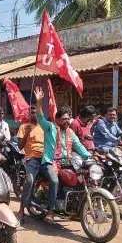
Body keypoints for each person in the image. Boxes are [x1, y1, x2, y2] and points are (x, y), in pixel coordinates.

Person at [34, 87, 91, 222]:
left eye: (69, 118)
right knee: (54, 181)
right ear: (57, 119)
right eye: (64, 119)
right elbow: (40, 117)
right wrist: (38, 103)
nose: (67, 121)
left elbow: (80, 148)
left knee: (81, 179)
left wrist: (90, 158)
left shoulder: (71, 133)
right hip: (50, 162)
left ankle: (77, 210)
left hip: (67, 163)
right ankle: (51, 210)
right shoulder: (50, 127)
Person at [15, 105, 45, 222]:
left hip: (46, 158)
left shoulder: (44, 126)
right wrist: (27, 134)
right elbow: (20, 146)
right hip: (32, 158)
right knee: (29, 180)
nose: (34, 114)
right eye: (31, 112)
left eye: (36, 112)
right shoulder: (23, 127)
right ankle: (22, 210)